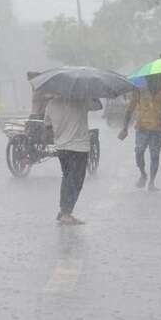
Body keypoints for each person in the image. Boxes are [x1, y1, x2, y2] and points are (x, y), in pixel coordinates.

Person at [44, 96, 102, 224]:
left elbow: (47, 126)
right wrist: (92, 93)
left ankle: (64, 209)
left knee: (67, 177)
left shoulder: (51, 104)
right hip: (79, 148)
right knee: (76, 181)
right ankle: (66, 212)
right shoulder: (81, 100)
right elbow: (98, 106)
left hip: (62, 148)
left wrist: (58, 135)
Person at [118, 75, 161, 191]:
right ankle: (143, 174)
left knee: (155, 156)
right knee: (139, 152)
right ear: (147, 80)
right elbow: (129, 110)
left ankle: (152, 182)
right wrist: (125, 128)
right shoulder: (139, 92)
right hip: (142, 128)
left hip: (158, 129)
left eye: (156, 79)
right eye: (151, 79)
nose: (154, 82)